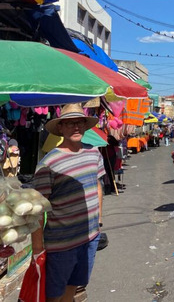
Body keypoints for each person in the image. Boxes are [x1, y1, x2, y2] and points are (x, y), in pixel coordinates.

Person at [32, 103, 105, 302]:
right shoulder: (49, 163)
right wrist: (37, 248)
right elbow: (37, 207)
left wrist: (98, 222)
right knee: (53, 294)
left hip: (89, 238)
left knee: (74, 286)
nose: (76, 127)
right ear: (61, 128)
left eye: (79, 122)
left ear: (85, 125)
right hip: (61, 244)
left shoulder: (93, 153)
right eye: (70, 123)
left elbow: (97, 185)